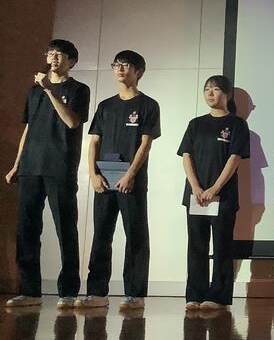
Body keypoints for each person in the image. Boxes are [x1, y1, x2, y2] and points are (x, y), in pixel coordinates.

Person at [5, 39, 90, 309]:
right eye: (50, 53)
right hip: (31, 166)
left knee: (65, 228)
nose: (53, 58)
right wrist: (17, 164)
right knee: (27, 229)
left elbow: (72, 122)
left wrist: (51, 90)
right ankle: (29, 291)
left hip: (59, 167)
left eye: (59, 54)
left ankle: (68, 291)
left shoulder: (78, 89)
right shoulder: (34, 92)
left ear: (71, 61)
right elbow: (29, 129)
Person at [76, 50, 160, 310]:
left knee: (135, 235)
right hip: (103, 180)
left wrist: (130, 174)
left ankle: (135, 295)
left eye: (126, 65)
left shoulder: (148, 105)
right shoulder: (105, 106)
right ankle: (97, 293)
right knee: (101, 234)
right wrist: (93, 174)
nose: (120, 69)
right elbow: (94, 142)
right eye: (117, 65)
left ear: (139, 71)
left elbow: (145, 145)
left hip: (131, 181)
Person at [178, 75, 249, 312]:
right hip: (196, 195)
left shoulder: (237, 124)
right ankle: (194, 295)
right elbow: (186, 155)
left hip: (223, 196)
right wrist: (196, 187)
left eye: (216, 89)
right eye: (207, 89)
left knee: (221, 246)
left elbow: (234, 159)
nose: (210, 93)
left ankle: (218, 296)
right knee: (196, 245)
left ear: (227, 94)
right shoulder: (195, 124)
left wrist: (215, 188)